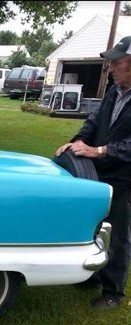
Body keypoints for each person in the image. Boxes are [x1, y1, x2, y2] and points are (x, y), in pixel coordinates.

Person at [55, 36, 131, 310]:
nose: (111, 68)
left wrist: (98, 151)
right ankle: (94, 275)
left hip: (125, 177)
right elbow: (94, 121)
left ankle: (113, 291)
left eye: (116, 63)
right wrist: (77, 141)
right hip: (101, 172)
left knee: (119, 233)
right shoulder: (115, 91)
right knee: (97, 224)